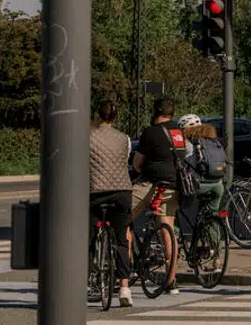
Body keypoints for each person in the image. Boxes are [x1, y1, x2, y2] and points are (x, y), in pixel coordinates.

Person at [132, 97, 183, 295]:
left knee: (122, 217)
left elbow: (137, 163)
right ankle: (171, 280)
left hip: (152, 185)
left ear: (155, 113)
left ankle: (124, 274)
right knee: (168, 230)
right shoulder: (178, 132)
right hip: (174, 185)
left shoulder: (150, 132)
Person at [88, 100, 134, 307]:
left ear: (97, 115)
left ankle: (88, 281)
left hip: (95, 192)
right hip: (122, 192)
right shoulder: (124, 138)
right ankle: (125, 288)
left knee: (87, 239)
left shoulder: (86, 136)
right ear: (115, 118)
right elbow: (124, 162)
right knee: (121, 239)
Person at [176, 114, 227, 229]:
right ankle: (215, 245)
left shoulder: (187, 144)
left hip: (198, 186)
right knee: (213, 214)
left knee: (172, 204)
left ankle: (175, 234)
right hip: (218, 185)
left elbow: (177, 162)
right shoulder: (213, 141)